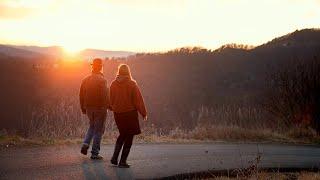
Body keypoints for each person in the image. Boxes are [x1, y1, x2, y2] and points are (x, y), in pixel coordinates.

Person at [110, 64, 147, 168]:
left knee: (122, 134)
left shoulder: (113, 84)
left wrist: (113, 107)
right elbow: (138, 101)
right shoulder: (132, 84)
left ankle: (114, 157)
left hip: (117, 114)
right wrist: (143, 113)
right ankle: (122, 161)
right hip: (130, 114)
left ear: (119, 72)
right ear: (128, 72)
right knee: (129, 136)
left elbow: (110, 99)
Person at [79, 58, 110, 160]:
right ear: (101, 67)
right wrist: (110, 107)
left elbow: (81, 95)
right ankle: (95, 153)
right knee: (98, 130)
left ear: (92, 67)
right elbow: (105, 96)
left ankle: (85, 144)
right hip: (100, 109)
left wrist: (83, 108)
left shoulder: (85, 80)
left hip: (88, 108)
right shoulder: (102, 80)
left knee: (92, 126)